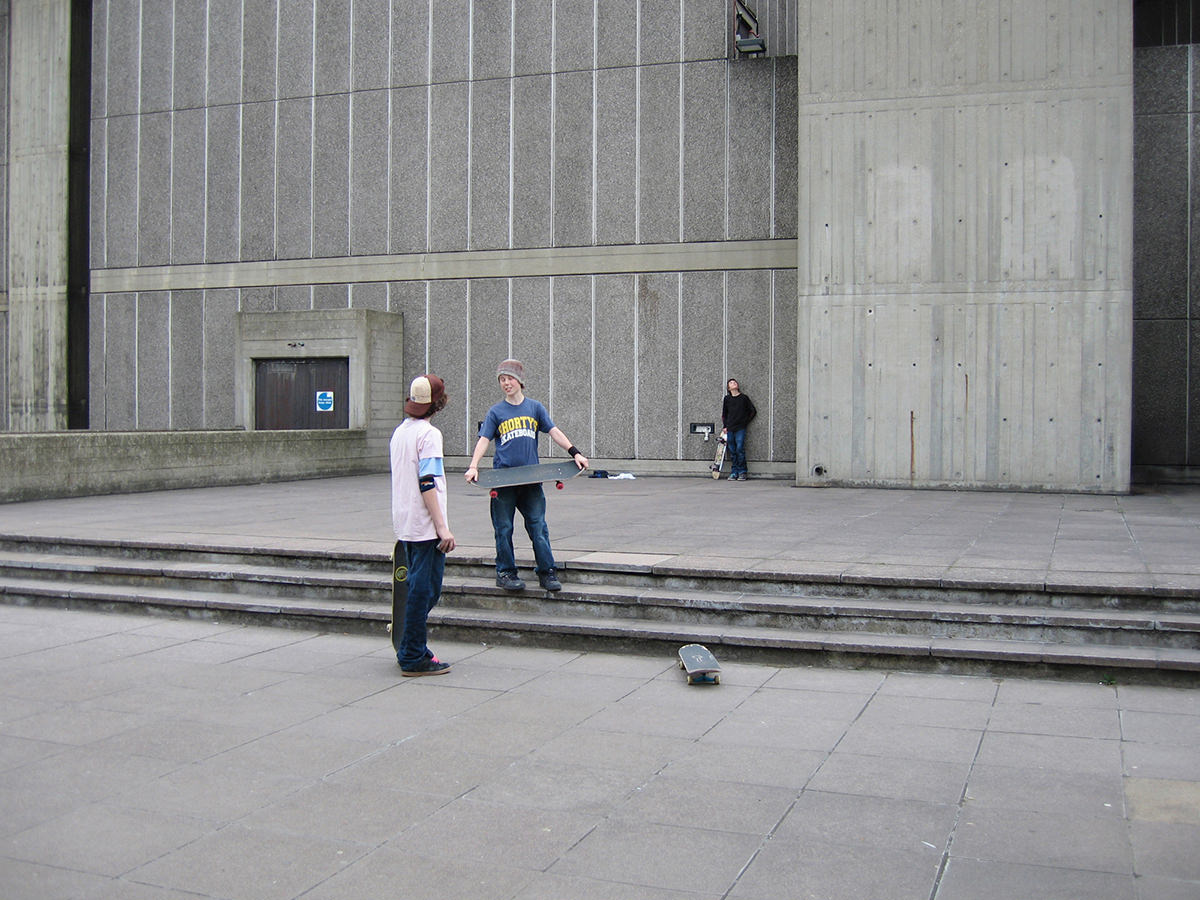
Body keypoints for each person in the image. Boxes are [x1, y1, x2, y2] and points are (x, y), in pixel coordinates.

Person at [464, 359, 588, 592]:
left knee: (538, 526)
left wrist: (575, 452)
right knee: (503, 528)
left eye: (509, 378)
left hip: (530, 479)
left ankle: (547, 571)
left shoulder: (535, 408)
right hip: (504, 480)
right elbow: (484, 439)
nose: (506, 383)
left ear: (519, 381)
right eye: (502, 379)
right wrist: (473, 466)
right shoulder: (496, 412)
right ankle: (506, 572)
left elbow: (554, 431)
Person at [390, 374, 456, 675]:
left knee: (420, 588)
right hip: (425, 525)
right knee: (425, 590)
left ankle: (412, 645)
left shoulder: (399, 433)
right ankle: (412, 653)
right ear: (439, 403)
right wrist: (442, 527)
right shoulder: (429, 435)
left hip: (405, 521)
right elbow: (427, 481)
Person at [721, 378, 757, 481]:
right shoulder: (727, 399)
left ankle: (742, 471)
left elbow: (753, 411)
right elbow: (724, 414)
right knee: (732, 451)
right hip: (730, 428)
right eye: (731, 383)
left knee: (739, 449)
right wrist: (725, 426)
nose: (734, 383)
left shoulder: (744, 398)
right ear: (729, 388)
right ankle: (734, 472)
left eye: (735, 382)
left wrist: (745, 422)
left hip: (740, 428)